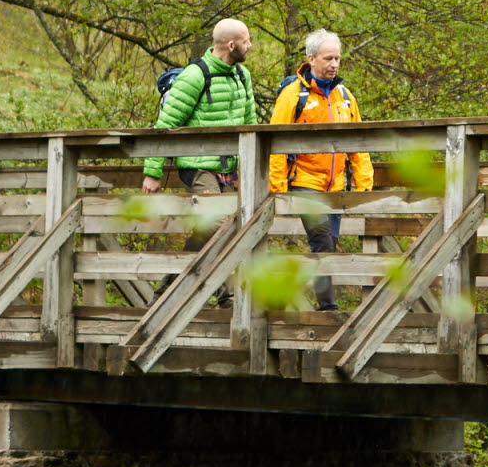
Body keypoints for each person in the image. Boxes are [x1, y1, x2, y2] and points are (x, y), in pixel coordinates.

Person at [267, 29, 373, 311]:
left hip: (336, 185)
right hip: (305, 181)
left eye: (337, 58)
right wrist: (277, 188)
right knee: (323, 242)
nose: (334, 64)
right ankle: (327, 307)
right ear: (311, 59)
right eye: (328, 58)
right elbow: (274, 142)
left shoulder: (345, 96)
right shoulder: (293, 95)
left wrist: (363, 185)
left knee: (330, 244)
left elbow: (359, 142)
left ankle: (300, 297)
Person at [141, 17, 258, 197]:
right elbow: (166, 124)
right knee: (214, 219)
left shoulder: (242, 75)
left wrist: (252, 167)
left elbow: (251, 124)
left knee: (238, 219)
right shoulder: (194, 76)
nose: (250, 45)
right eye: (246, 41)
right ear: (232, 46)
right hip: (197, 165)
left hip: (229, 166)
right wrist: (152, 173)